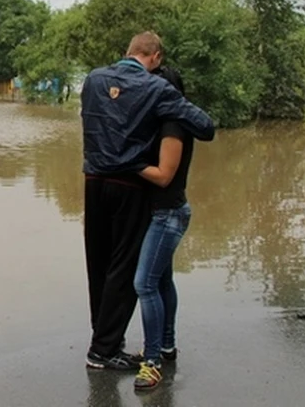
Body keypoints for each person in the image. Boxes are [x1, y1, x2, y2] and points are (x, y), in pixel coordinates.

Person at [81, 32, 214, 371]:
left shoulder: (94, 79)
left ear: (128, 51)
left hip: (93, 182)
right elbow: (205, 126)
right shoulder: (157, 88)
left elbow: (97, 122)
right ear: (155, 56)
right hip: (129, 185)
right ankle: (103, 350)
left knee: (98, 262)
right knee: (123, 268)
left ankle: (104, 335)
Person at [132, 65, 195, 391]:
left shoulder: (174, 125)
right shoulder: (163, 121)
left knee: (144, 284)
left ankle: (152, 361)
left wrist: (130, 161)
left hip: (168, 215)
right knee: (162, 280)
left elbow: (164, 176)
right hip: (162, 212)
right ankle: (166, 345)